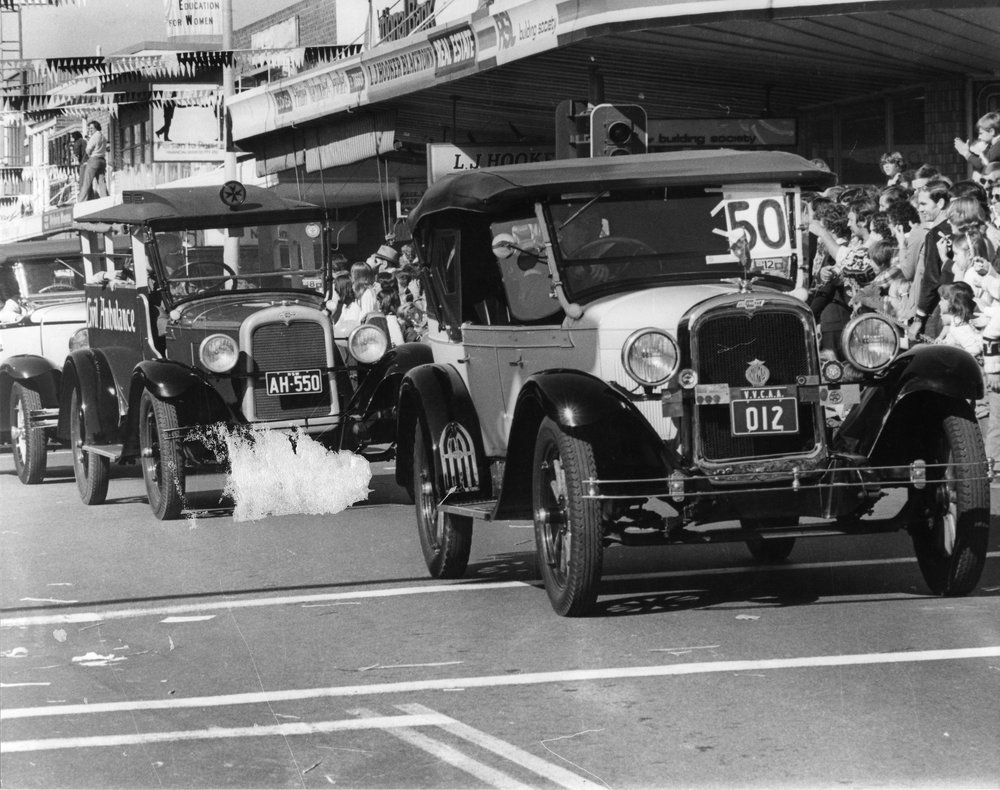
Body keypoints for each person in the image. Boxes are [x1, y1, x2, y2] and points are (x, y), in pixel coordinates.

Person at [954, 111, 1000, 175]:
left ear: (992, 131)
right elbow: (981, 160)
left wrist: (965, 153)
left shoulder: (998, 145)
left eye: (981, 133)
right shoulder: (991, 145)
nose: (979, 137)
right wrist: (970, 152)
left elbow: (982, 164)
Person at [77, 119, 108, 203]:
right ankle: (105, 200)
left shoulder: (94, 136)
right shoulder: (103, 137)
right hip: (102, 160)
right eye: (89, 128)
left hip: (94, 160)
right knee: (101, 182)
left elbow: (88, 150)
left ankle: (80, 202)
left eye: (91, 128)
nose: (90, 130)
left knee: (86, 182)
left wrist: (89, 152)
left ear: (96, 128)